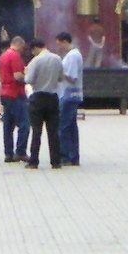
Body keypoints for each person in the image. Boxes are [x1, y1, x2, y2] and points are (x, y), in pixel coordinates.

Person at [22, 37, 64, 170]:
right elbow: (61, 78)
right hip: (52, 97)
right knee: (53, 132)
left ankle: (34, 161)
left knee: (36, 131)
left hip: (38, 98)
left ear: (35, 48)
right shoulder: (57, 58)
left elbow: (28, 79)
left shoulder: (36, 60)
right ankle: (56, 161)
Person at [0, 36, 30, 163]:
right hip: (16, 93)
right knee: (24, 124)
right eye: (22, 47)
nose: (23, 50)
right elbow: (17, 76)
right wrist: (27, 77)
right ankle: (20, 152)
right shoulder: (15, 56)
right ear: (19, 44)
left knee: (8, 125)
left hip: (5, 93)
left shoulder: (3, 56)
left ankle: (8, 154)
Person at [55, 31, 83, 167]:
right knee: (71, 127)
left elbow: (72, 78)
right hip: (72, 94)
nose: (58, 47)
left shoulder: (72, 56)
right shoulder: (73, 55)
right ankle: (74, 156)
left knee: (63, 126)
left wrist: (59, 72)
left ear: (65, 41)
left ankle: (65, 156)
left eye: (59, 44)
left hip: (69, 94)